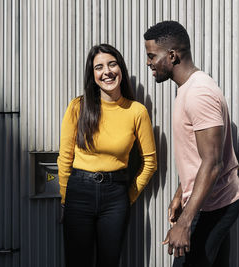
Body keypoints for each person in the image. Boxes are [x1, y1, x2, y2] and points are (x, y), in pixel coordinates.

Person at [144, 21, 239, 267]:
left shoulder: (199, 93)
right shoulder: (188, 88)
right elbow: (199, 156)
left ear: (172, 55)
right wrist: (181, 192)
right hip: (210, 201)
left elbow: (212, 162)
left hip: (213, 206)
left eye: (151, 56)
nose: (148, 63)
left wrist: (184, 222)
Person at [57, 43, 157, 267]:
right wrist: (65, 200)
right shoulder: (77, 107)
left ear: (120, 68)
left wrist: (127, 197)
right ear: (93, 75)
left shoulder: (136, 111)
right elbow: (64, 158)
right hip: (78, 193)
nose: (107, 71)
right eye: (99, 67)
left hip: (116, 196)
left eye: (112, 64)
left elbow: (150, 162)